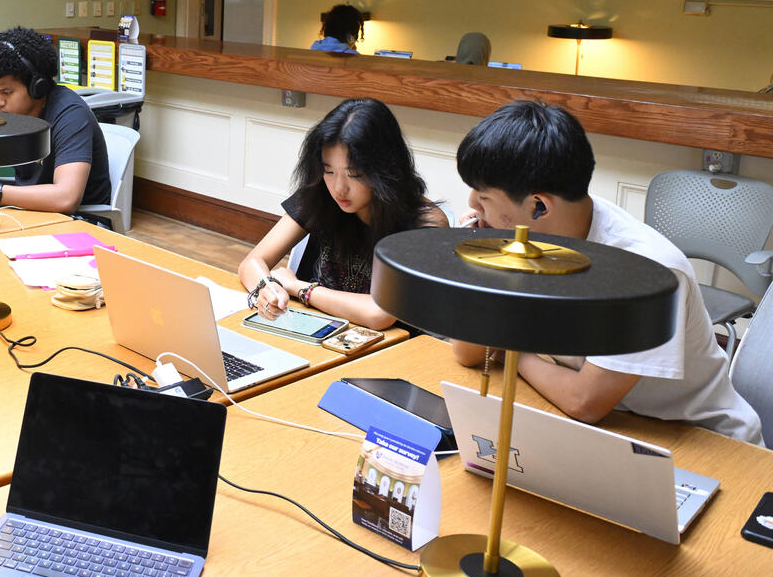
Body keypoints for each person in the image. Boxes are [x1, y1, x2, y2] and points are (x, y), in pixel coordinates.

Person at [446, 100, 762, 444]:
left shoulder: (643, 271)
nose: (473, 206)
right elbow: (468, 353)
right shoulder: (539, 235)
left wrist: (514, 353)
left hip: (700, 440)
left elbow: (586, 401)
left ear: (539, 206)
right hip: (617, 428)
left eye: (484, 196)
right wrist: (484, 259)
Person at [239, 98, 446, 329]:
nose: (339, 188)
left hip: (387, 349)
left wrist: (299, 288)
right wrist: (268, 286)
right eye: (328, 171)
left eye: (354, 174)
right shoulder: (320, 195)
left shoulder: (425, 223)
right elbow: (251, 263)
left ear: (386, 169)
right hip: (315, 330)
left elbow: (380, 313)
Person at [0, 26, 111, 214]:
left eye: (6, 92)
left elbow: (66, 198)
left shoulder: (71, 115)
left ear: (37, 87)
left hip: (78, 223)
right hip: (29, 213)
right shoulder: (15, 114)